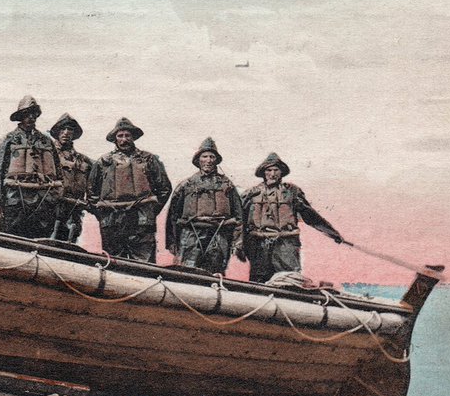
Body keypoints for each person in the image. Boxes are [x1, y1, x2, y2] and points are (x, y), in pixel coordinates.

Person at [240, 152, 344, 283]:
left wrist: (332, 233)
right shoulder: (251, 194)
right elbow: (240, 220)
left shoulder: (292, 192)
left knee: (290, 280)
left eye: (276, 170)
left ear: (281, 173)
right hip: (259, 245)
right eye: (269, 170)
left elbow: (310, 215)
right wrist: (240, 245)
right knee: (259, 281)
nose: (272, 174)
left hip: (286, 244)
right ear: (263, 173)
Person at [87, 117, 172, 262]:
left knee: (145, 264)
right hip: (112, 221)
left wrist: (150, 210)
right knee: (113, 262)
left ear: (133, 137)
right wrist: (103, 214)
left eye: (127, 135)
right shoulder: (103, 162)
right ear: (115, 139)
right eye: (120, 136)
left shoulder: (148, 159)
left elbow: (164, 188)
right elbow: (91, 192)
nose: (124, 139)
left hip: (142, 221)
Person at [0, 96, 63, 239]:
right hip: (14, 201)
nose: (31, 117)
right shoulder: (8, 140)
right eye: (27, 114)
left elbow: (58, 174)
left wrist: (55, 198)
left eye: (34, 113)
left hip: (42, 203)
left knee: (40, 242)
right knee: (10, 241)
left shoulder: (47, 142)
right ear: (20, 116)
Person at [166, 138, 244, 275]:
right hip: (190, 235)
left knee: (215, 273)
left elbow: (238, 216)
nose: (208, 160)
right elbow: (173, 215)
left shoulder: (227, 185)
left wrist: (238, 242)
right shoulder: (186, 185)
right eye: (205, 156)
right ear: (198, 160)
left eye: (212, 157)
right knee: (186, 272)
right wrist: (171, 242)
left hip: (218, 235)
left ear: (216, 160)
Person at [49, 113, 93, 244]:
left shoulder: (83, 160)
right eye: (62, 129)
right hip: (53, 208)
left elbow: (92, 185)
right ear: (57, 132)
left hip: (75, 210)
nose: (66, 133)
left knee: (70, 246)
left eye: (70, 130)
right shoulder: (49, 155)